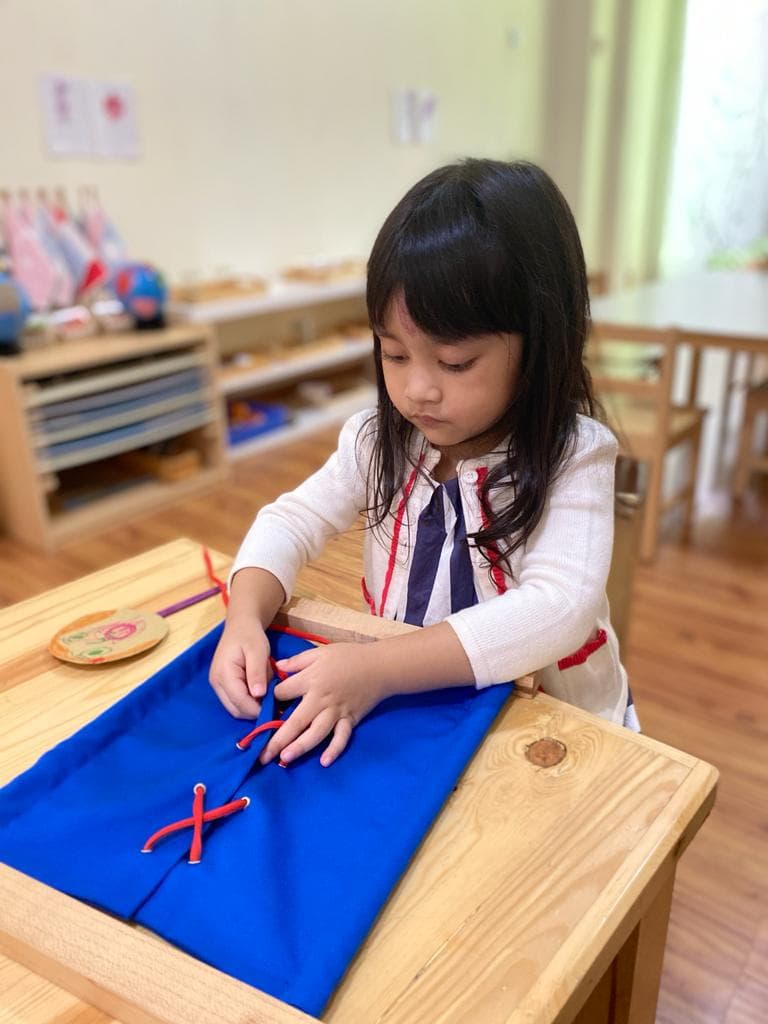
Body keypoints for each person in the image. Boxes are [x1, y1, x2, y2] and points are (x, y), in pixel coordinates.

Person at [209, 158, 636, 769]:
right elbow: (291, 521)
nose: (417, 391)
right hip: (410, 708)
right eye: (393, 353)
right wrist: (244, 615)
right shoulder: (376, 440)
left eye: (455, 363)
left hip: (548, 732)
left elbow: (560, 607)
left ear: (542, 344)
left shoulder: (574, 455)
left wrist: (377, 667)